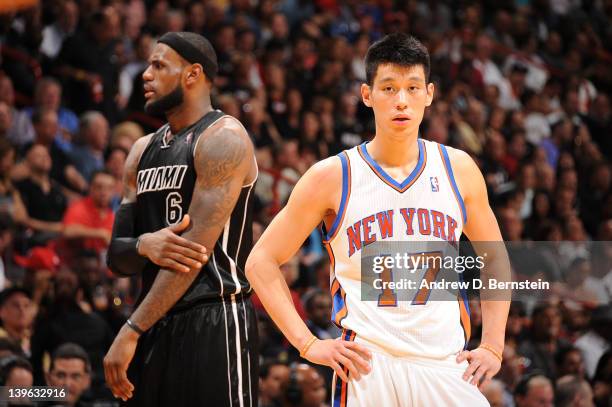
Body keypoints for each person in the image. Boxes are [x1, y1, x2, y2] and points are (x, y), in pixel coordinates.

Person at [246, 33, 510, 406]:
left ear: (429, 94)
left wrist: (493, 347)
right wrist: (308, 344)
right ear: (367, 94)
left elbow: (495, 258)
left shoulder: (459, 169)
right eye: (388, 88)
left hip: (446, 363)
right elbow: (260, 261)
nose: (401, 100)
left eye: (412, 88)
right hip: (369, 369)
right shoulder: (332, 176)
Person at [103, 31, 259, 406]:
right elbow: (117, 257)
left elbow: (191, 255)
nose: (146, 74)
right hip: (153, 320)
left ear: (192, 74)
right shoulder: (141, 150)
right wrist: (144, 244)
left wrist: (131, 327)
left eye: (158, 65)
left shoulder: (223, 138)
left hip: (215, 317)